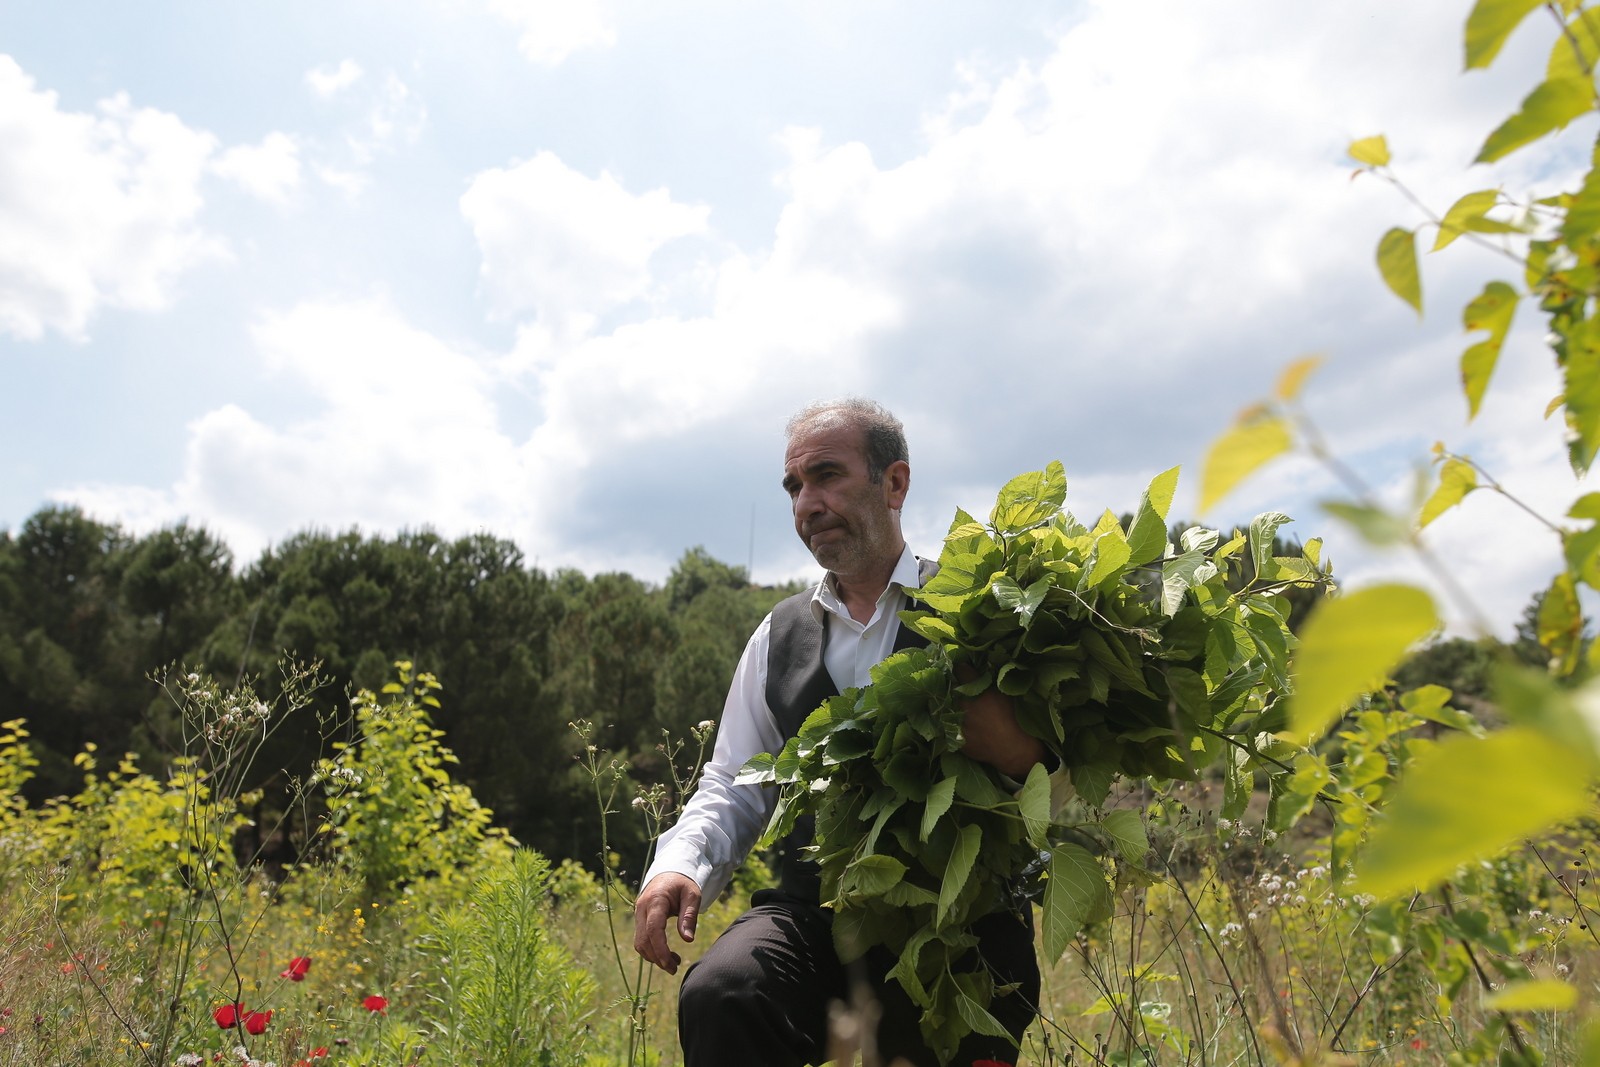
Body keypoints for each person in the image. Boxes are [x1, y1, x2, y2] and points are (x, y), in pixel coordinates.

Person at [633, 398, 1047, 1067]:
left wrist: (1005, 738)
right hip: (817, 914)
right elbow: (734, 778)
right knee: (728, 991)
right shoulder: (779, 634)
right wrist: (678, 865)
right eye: (795, 486)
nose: (807, 502)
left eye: (827, 475)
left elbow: (1050, 767)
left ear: (895, 483)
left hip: (959, 925)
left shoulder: (978, 610)